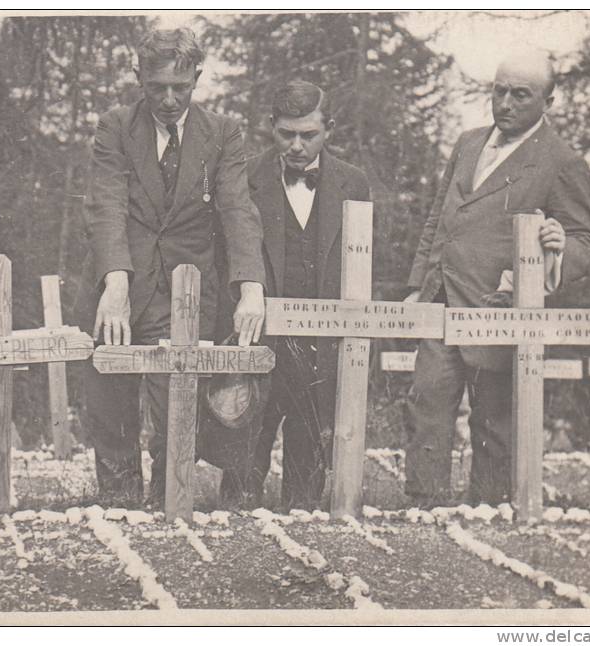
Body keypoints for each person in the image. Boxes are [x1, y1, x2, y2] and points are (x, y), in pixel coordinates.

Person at [404, 50, 590, 506]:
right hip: (441, 299)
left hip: (497, 310)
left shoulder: (560, 161)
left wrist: (559, 244)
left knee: (493, 421)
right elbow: (439, 218)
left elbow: (587, 244)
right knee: (425, 407)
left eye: (520, 94)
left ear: (548, 101)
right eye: (499, 91)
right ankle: (422, 513)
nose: (506, 103)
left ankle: (489, 517)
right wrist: (418, 285)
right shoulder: (468, 143)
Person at [80, 27, 266, 507]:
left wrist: (251, 288)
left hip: (185, 293)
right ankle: (119, 503)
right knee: (111, 402)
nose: (168, 99)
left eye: (179, 88)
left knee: (176, 402)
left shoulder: (223, 133)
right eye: (156, 86)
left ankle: (170, 500)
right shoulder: (115, 126)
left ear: (197, 79)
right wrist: (115, 284)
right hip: (121, 282)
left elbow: (238, 211)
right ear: (138, 76)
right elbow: (106, 206)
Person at [210, 80, 371, 511]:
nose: (297, 146)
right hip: (258, 340)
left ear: (329, 129)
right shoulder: (244, 178)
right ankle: (237, 531)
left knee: (307, 467)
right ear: (271, 127)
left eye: (308, 135)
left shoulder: (354, 184)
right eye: (286, 134)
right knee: (246, 456)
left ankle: (302, 522)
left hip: (320, 349)